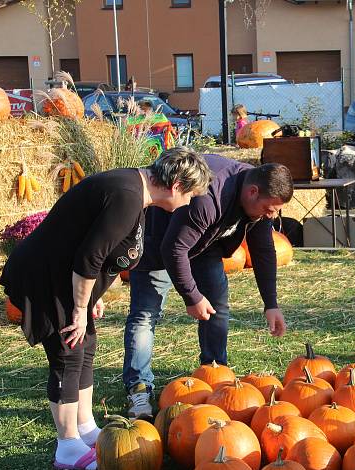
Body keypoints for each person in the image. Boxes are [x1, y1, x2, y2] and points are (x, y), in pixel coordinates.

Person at [0, 148, 212, 470]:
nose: (188, 205)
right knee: (68, 351)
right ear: (176, 186)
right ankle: (67, 445)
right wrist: (79, 308)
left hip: (65, 277)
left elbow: (100, 246)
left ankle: (85, 427)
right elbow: (88, 257)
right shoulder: (127, 196)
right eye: (190, 196)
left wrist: (93, 295)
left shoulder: (136, 193)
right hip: (45, 277)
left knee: (85, 347)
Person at [122, 156, 294, 419]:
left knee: (217, 306)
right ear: (252, 192)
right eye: (269, 209)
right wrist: (192, 296)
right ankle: (138, 386)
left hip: (205, 245)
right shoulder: (209, 197)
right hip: (156, 242)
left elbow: (263, 250)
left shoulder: (260, 194)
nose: (272, 215)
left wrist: (271, 303)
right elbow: (173, 248)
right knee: (145, 315)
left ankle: (215, 374)